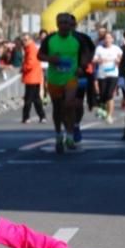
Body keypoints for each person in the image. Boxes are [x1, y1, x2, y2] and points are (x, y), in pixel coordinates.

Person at [39, 13, 88, 154]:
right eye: (62, 23)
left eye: (67, 23)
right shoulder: (50, 39)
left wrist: (81, 67)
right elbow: (39, 55)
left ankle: (70, 136)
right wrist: (50, 59)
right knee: (57, 109)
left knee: (69, 104)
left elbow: (85, 55)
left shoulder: (77, 39)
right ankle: (58, 134)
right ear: (57, 24)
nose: (65, 25)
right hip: (55, 79)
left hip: (70, 78)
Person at [93, 32, 122, 124]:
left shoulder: (116, 49)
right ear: (103, 40)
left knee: (110, 94)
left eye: (109, 38)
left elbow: (123, 58)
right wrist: (99, 60)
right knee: (103, 94)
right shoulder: (99, 48)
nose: (108, 40)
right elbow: (93, 59)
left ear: (112, 39)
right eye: (106, 38)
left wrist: (119, 60)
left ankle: (109, 115)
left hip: (113, 74)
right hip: (102, 74)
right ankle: (103, 109)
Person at [20, 33, 46, 124]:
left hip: (31, 78)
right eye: (23, 40)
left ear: (31, 40)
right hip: (34, 77)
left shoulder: (31, 49)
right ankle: (42, 116)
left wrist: (23, 68)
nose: (24, 42)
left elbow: (30, 63)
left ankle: (26, 117)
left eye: (26, 40)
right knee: (36, 98)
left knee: (28, 99)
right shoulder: (31, 48)